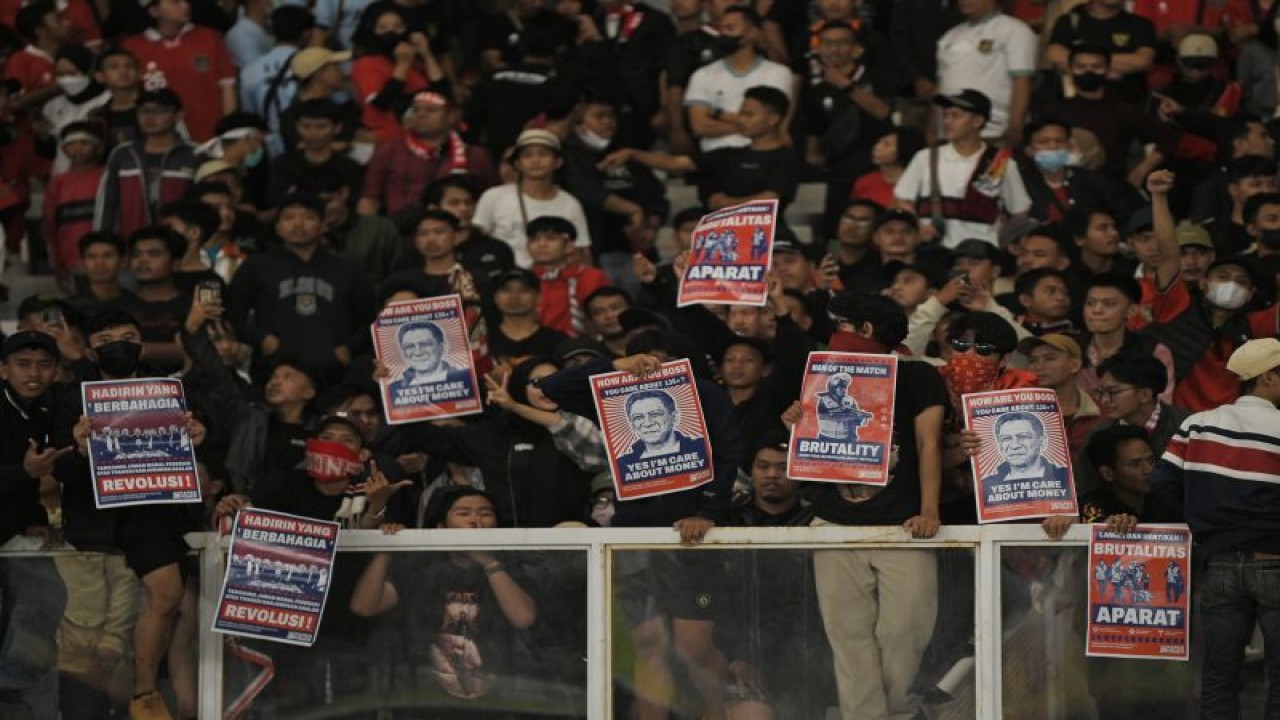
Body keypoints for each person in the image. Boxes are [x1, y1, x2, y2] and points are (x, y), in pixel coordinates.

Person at [797, 293, 945, 719]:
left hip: (905, 524)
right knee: (848, 637)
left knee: (904, 631)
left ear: (866, 330)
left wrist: (930, 510)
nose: (834, 333)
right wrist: (798, 416)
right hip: (834, 520)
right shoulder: (821, 371)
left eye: (842, 323)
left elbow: (928, 443)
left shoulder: (919, 376)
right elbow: (809, 440)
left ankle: (895, 712)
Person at [1150, 338, 1280, 718]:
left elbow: (1161, 485)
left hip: (1218, 566)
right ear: (1268, 376)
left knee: (1220, 674)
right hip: (1275, 562)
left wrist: (1204, 519)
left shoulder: (1197, 423)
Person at [226, 192, 377, 380]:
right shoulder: (256, 266)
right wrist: (262, 340)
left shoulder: (349, 269)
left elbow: (370, 321)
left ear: (323, 226)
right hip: (273, 372)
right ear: (278, 227)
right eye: (289, 218)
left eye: (309, 217)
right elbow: (232, 312)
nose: (298, 224)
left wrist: (347, 349)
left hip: (334, 374)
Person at [0, 331, 68, 720]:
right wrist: (23, 472)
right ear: (3, 369)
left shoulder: (48, 409)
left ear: (56, 371)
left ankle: (10, 682)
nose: (34, 373)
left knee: (49, 592)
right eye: (23, 364)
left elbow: (31, 483)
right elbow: (26, 474)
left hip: (12, 529)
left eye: (44, 365)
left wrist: (36, 520)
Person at [895, 89, 1031, 248]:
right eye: (946, 115)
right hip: (935, 248)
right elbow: (903, 200)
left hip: (983, 251)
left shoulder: (1000, 163)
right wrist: (919, 227)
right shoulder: (925, 158)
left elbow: (1019, 212)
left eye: (956, 116)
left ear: (978, 121)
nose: (947, 121)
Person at [358, 90, 498, 218]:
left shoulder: (475, 155)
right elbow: (369, 199)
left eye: (430, 110)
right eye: (416, 110)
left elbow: (491, 200)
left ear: (452, 116)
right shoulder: (390, 150)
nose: (421, 114)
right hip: (401, 232)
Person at [472, 129, 592, 269]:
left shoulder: (570, 204)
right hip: (500, 279)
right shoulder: (493, 196)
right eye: (527, 155)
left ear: (558, 162)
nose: (535, 160)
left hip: (551, 281)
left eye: (543, 154)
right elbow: (474, 242)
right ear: (517, 163)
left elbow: (582, 253)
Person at [682, 4, 794, 153]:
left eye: (730, 28)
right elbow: (699, 126)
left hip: (763, 158)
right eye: (721, 29)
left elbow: (772, 123)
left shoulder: (778, 73)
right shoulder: (702, 74)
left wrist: (719, 115)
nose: (723, 34)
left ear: (752, 33)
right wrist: (749, 124)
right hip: (714, 160)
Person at [121, 0, 236, 142]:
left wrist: (229, 131)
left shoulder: (209, 38)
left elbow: (227, 86)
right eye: (175, 2)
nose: (185, 5)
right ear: (154, 11)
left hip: (211, 136)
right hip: (158, 141)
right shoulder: (133, 47)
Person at [94, 88, 198, 239]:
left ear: (179, 115)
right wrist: (102, 240)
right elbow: (107, 203)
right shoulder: (122, 154)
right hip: (132, 243)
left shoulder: (195, 154)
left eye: (160, 111)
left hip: (181, 244)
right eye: (144, 111)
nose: (150, 117)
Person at [934, 0, 1036, 146]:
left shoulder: (1015, 30)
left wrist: (1015, 126)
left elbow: (1022, 80)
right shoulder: (950, 35)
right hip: (949, 133)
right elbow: (941, 84)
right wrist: (933, 128)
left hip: (993, 132)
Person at [526, 215, 612, 337]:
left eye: (551, 239)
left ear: (569, 246)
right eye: (534, 239)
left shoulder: (592, 277)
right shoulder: (523, 281)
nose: (541, 244)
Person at [980, 411, 1071, 495]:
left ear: (1042, 442)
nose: (1015, 446)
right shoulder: (986, 485)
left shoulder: (1066, 477)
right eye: (1006, 439)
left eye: (1023, 437)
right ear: (1000, 446)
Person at [617, 389, 705, 465]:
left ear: (674, 417)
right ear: (632, 424)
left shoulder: (702, 447)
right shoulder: (622, 464)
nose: (647, 423)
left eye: (655, 414)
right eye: (638, 417)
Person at [388, 321, 470, 392]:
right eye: (409, 346)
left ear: (442, 347)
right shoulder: (394, 389)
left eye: (425, 344)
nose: (417, 352)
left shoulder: (466, 379)